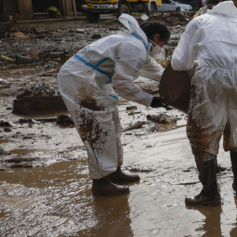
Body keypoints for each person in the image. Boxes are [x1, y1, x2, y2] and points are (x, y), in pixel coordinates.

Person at [57, 15, 169, 196]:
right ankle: (101, 182)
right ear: (157, 38)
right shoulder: (134, 47)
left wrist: (176, 83)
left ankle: (114, 172)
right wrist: (150, 100)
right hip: (79, 79)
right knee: (99, 128)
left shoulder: (137, 45)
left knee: (114, 124)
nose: (162, 48)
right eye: (164, 44)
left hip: (92, 78)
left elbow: (158, 72)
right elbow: (122, 84)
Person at [171, 0, 237, 206]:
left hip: (211, 77)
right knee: (236, 128)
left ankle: (210, 192)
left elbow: (180, 63)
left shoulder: (200, 20)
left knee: (202, 132)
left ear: (209, 7)